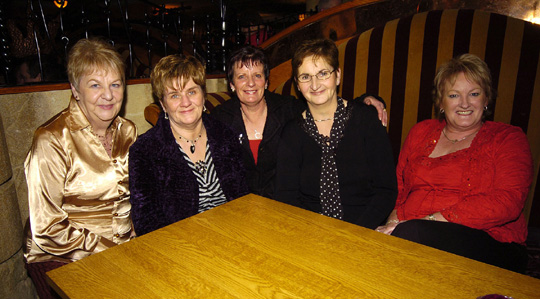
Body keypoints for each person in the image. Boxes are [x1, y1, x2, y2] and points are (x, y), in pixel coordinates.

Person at [376, 54, 533, 273]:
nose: (465, 103)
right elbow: (400, 188)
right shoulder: (421, 132)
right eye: (454, 95)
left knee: (413, 235)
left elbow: (508, 202)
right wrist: (391, 222)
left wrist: (428, 220)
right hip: (412, 231)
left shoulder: (508, 138)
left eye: (474, 94)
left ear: (486, 99)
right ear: (441, 102)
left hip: (492, 242)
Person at [24, 38, 137, 299]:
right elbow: (47, 227)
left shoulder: (128, 131)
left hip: (122, 248)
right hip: (61, 255)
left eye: (115, 84)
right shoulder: (51, 139)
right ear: (75, 90)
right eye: (95, 85)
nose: (108, 95)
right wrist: (112, 252)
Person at [212, 45, 387, 199]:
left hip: (284, 206)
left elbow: (326, 106)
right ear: (232, 84)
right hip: (241, 208)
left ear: (266, 82)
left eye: (257, 75)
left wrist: (368, 99)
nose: (250, 83)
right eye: (242, 76)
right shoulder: (220, 118)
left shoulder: (288, 109)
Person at [274, 39, 397, 229]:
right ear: (297, 85)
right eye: (305, 77)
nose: (315, 85)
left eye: (323, 73)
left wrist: (355, 233)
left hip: (365, 228)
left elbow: (386, 190)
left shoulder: (366, 121)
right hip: (310, 231)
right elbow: (287, 197)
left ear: (337, 76)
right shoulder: (292, 133)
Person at [129, 55, 249, 236]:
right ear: (162, 103)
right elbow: (147, 224)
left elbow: (244, 199)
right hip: (180, 247)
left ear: (203, 95)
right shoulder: (145, 151)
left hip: (235, 234)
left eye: (192, 92)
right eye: (175, 95)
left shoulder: (226, 135)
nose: (185, 103)